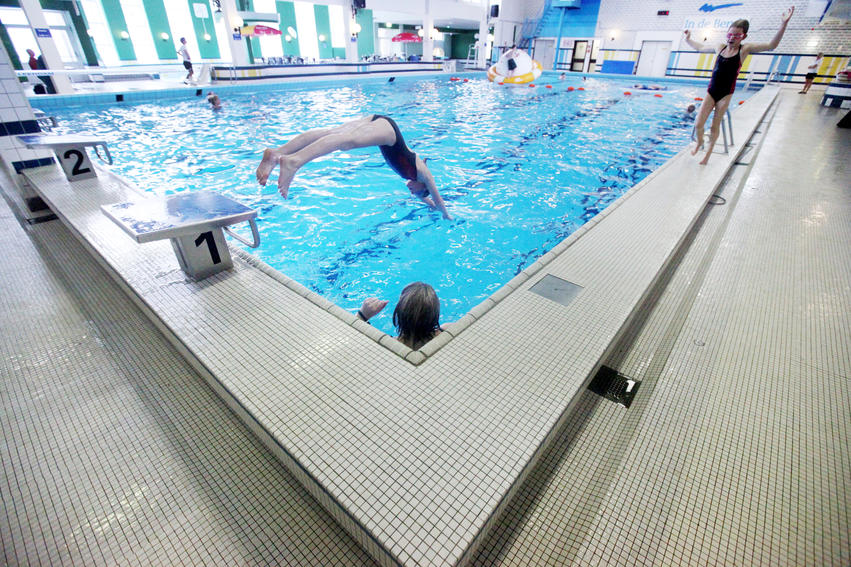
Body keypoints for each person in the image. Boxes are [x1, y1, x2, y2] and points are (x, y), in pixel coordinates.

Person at [256, 114, 452, 219]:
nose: (411, 192)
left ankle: (276, 154)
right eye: (417, 193)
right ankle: (294, 161)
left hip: (379, 122)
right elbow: (438, 200)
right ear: (423, 186)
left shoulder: (415, 179)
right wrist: (447, 216)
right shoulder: (424, 175)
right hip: (389, 132)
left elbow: (430, 202)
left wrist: (430, 205)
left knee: (330, 133)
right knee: (345, 142)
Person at [683, 7, 794, 165]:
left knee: (715, 125)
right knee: (698, 123)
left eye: (736, 35)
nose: (732, 38)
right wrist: (688, 39)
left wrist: (783, 25)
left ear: (743, 37)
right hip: (711, 91)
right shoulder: (719, 47)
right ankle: (700, 142)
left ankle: (707, 154)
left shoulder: (744, 49)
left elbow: (771, 45)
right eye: (730, 34)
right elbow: (700, 47)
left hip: (726, 93)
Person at [357, 282, 443, 350]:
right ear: (435, 315)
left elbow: (352, 338)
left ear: (399, 314)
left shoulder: (386, 345)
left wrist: (362, 315)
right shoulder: (445, 333)